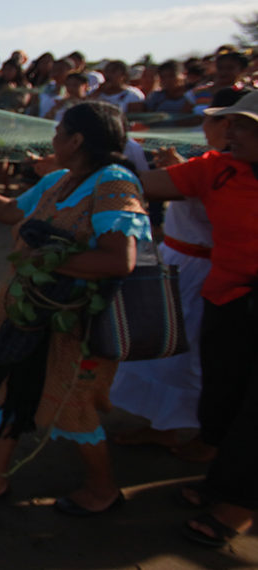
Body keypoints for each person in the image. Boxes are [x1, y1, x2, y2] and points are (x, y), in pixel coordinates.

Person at [0, 101, 150, 515]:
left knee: (73, 405)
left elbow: (119, 260)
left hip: (74, 323)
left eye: (58, 132)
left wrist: (45, 262)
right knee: (7, 387)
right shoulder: (60, 180)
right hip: (28, 310)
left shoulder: (115, 183)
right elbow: (7, 212)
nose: (52, 140)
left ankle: (103, 490)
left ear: (77, 140)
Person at [137, 90, 258, 548]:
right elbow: (144, 183)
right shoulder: (217, 169)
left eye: (245, 125)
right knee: (223, 394)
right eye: (232, 123)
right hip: (229, 297)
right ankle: (222, 480)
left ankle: (237, 506)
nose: (234, 132)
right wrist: (93, 171)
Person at [110, 87, 250, 452]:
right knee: (161, 353)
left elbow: (155, 189)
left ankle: (204, 437)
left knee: (188, 358)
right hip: (178, 265)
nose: (207, 126)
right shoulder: (210, 165)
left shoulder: (222, 169)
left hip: (200, 271)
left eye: (217, 120)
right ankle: (166, 427)